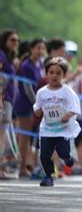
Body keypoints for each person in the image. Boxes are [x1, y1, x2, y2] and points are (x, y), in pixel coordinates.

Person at [33, 57, 81, 186]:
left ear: (64, 75)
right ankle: (48, 176)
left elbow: (75, 108)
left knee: (63, 152)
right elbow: (37, 106)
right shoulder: (42, 92)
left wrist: (67, 115)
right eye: (51, 72)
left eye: (58, 73)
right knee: (44, 155)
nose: (54, 75)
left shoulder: (67, 92)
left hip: (63, 130)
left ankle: (68, 158)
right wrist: (38, 111)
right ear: (46, 73)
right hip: (47, 130)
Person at [13, 38, 46, 177]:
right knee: (24, 137)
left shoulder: (39, 65)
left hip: (34, 104)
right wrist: (37, 104)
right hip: (25, 103)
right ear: (31, 49)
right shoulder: (26, 65)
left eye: (42, 48)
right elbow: (28, 89)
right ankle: (21, 168)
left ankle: (26, 165)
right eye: (37, 48)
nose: (40, 51)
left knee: (27, 137)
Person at [0, 30, 20, 177]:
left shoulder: (9, 57)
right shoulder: (1, 55)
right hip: (4, 98)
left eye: (17, 40)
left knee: (3, 134)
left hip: (9, 99)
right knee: (1, 134)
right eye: (12, 40)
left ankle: (2, 165)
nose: (15, 43)